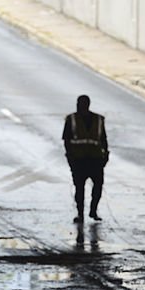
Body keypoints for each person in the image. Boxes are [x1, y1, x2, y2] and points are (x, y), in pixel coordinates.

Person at [62, 95, 109, 223]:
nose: (80, 106)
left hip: (95, 159)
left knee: (98, 186)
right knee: (79, 188)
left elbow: (103, 138)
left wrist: (106, 154)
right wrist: (69, 156)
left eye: (82, 104)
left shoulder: (98, 120)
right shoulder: (71, 119)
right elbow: (66, 139)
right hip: (78, 159)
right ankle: (80, 213)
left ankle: (93, 210)